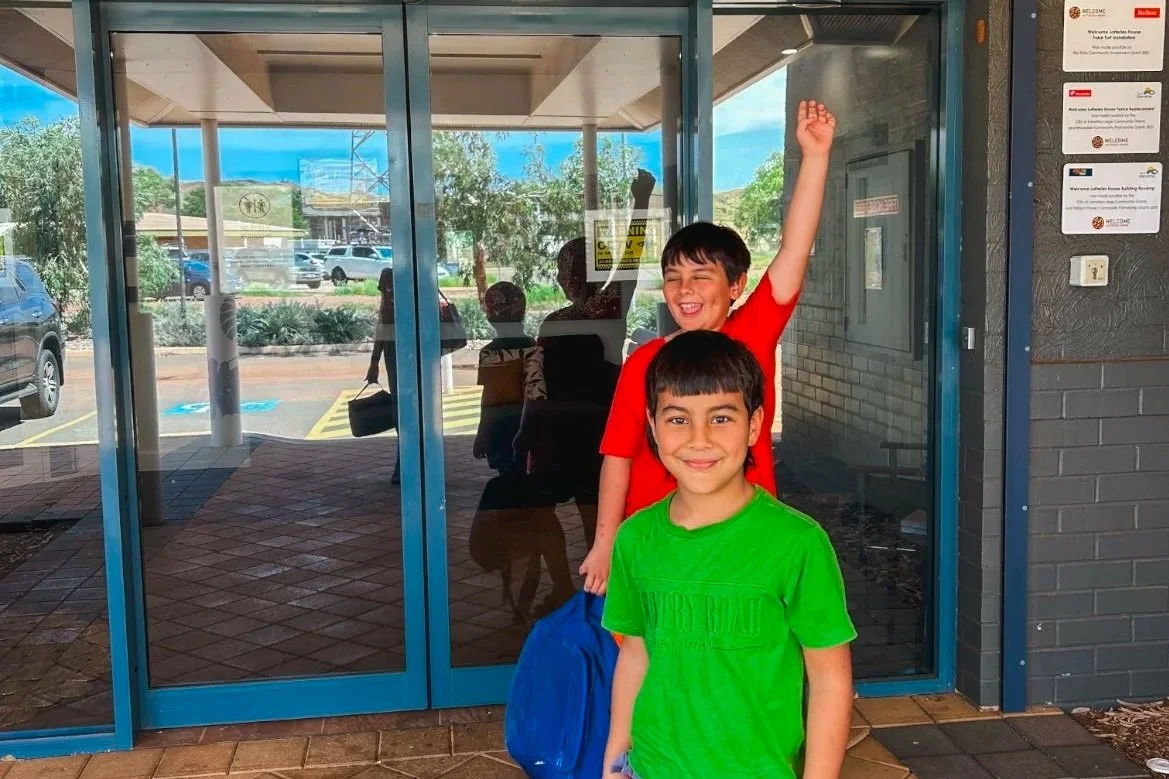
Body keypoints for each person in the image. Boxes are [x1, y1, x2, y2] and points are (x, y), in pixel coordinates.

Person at [580, 100, 837, 594]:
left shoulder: (751, 336)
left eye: (701, 276)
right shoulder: (644, 361)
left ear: (736, 285)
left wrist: (817, 157)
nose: (685, 290)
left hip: (743, 542)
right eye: (674, 278)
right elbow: (618, 457)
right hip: (655, 546)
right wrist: (606, 543)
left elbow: (794, 249)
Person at [602, 330, 856, 779]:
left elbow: (830, 678)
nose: (699, 440)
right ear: (652, 424)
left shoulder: (797, 542)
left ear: (754, 424)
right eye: (678, 419)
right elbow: (636, 653)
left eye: (720, 418)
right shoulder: (635, 538)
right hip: (650, 767)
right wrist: (614, 761)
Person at [474, 282, 538, 472]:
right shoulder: (533, 346)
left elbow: (491, 399)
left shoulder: (491, 353)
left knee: (507, 476)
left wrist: (482, 433)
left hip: (501, 427)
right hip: (528, 423)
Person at [366, 267, 401, 484]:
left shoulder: (390, 276)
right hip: (414, 355)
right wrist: (374, 361)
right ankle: (408, 462)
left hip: (396, 354)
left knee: (402, 413)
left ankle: (404, 463)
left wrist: (374, 361)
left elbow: (383, 320)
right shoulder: (419, 274)